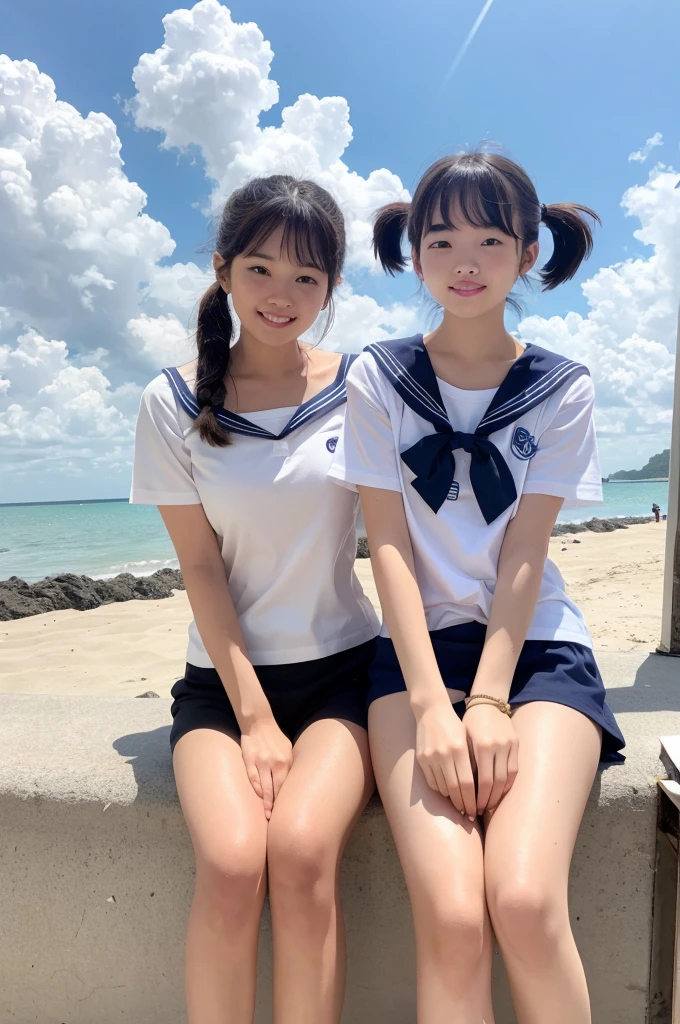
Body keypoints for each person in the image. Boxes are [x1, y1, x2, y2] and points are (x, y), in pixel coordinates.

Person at [329, 151, 625, 1024]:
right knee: (455, 917)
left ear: (529, 253)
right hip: (412, 655)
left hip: (536, 651)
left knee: (526, 902)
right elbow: (385, 546)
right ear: (413, 253)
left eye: (491, 239)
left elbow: (527, 550)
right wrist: (431, 704)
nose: (466, 262)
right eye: (443, 238)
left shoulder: (560, 387)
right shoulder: (378, 378)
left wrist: (488, 699)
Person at [130, 175, 379, 1024]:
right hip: (223, 688)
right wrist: (256, 719)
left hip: (347, 674)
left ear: (332, 288)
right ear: (224, 268)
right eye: (262, 268)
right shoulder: (171, 401)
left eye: (307, 277)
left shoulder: (363, 387)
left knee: (303, 854)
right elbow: (199, 567)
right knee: (235, 864)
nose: (283, 294)